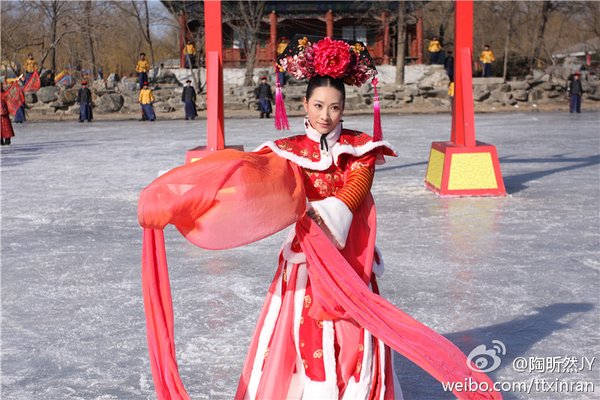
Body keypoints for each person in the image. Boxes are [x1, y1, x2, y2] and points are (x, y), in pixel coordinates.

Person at [137, 35, 501, 400]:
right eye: (318, 105)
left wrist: (322, 212)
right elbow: (249, 179)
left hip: (351, 255)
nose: (326, 116)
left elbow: (357, 187)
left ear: (344, 108)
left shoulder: (360, 149)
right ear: (304, 105)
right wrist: (181, 197)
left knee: (355, 331)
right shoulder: (288, 151)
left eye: (335, 107)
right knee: (306, 329)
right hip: (306, 259)